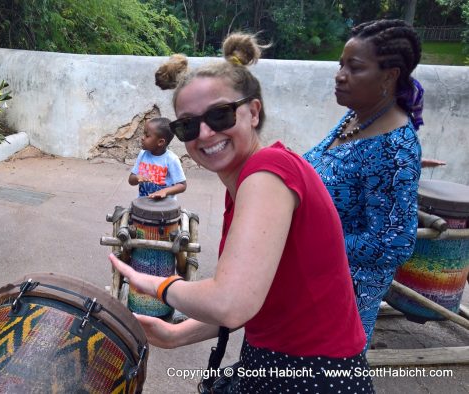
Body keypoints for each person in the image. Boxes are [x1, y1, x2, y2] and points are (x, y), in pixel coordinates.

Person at [110, 33, 374, 392]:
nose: (204, 133)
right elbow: (251, 298)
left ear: (253, 112)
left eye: (219, 115)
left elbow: (230, 303)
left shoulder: (268, 171)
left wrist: (156, 284)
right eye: (187, 125)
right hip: (281, 360)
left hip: (313, 374)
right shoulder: (250, 182)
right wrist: (175, 335)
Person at [303, 19, 424, 349]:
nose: (340, 74)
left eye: (355, 67)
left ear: (389, 75)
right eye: (341, 64)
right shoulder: (357, 118)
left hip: (342, 301)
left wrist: (309, 240)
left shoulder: (393, 147)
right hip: (311, 284)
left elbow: (392, 243)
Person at [129, 117, 187, 199]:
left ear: (160, 142)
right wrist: (137, 178)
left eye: (147, 136)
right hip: (144, 203)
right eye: (143, 134)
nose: (142, 138)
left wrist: (165, 191)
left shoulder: (171, 159)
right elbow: (131, 180)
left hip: (164, 207)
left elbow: (182, 185)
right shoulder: (143, 154)